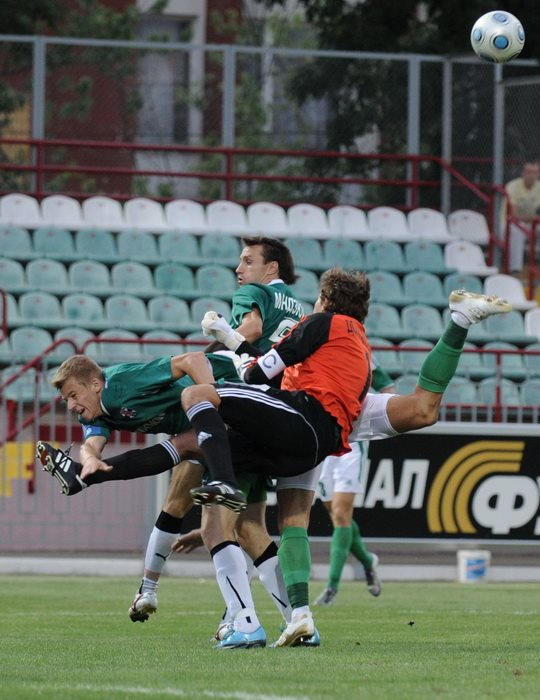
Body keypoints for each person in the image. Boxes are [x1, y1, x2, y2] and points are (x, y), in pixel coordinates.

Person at [39, 286, 512, 647]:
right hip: (335, 420)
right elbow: (351, 379)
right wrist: (89, 458)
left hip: (292, 413)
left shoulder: (315, 322)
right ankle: (297, 616)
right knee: (269, 517)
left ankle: (241, 614)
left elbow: (258, 368)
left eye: (248, 261)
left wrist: (227, 350)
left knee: (210, 472)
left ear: (321, 297)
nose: (240, 270)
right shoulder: (353, 339)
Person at [314, 356, 394, 607]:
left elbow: (388, 390)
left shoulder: (362, 355)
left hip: (353, 444)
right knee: (338, 516)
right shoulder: (315, 348)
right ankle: (368, 562)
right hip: (324, 442)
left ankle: (331, 587)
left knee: (340, 514)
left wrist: (375, 422)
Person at [503, 160, 540, 273]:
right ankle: (515, 270)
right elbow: (513, 215)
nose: (531, 175)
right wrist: (533, 219)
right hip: (509, 224)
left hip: (531, 223)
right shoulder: (512, 186)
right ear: (523, 173)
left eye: (534, 172)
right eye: (528, 172)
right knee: (517, 231)